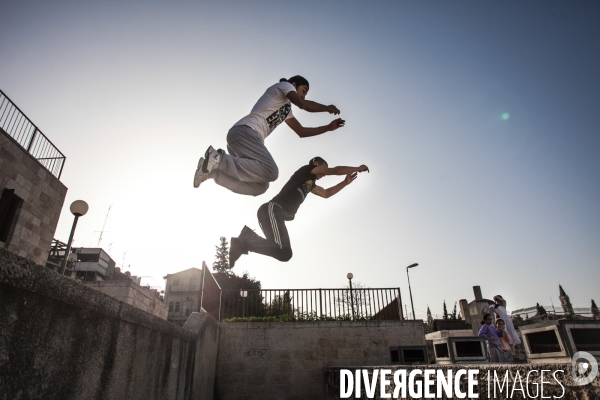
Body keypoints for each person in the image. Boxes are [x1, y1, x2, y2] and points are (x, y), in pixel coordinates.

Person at [193, 76, 345, 196]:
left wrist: (328, 128)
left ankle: (211, 172)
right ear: (294, 84)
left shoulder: (286, 110)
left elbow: (301, 132)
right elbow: (303, 105)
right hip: (245, 131)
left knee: (260, 186)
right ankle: (219, 159)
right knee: (271, 171)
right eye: (303, 91)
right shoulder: (284, 87)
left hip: (247, 140)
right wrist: (327, 108)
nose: (303, 96)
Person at [228, 157, 368, 266]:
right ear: (316, 163)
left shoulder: (310, 183)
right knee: (283, 250)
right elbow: (335, 170)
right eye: (324, 168)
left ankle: (246, 238)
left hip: (276, 214)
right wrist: (358, 168)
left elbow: (326, 193)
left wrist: (345, 182)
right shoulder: (307, 170)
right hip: (273, 209)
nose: (324, 174)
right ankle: (246, 239)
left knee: (285, 253)